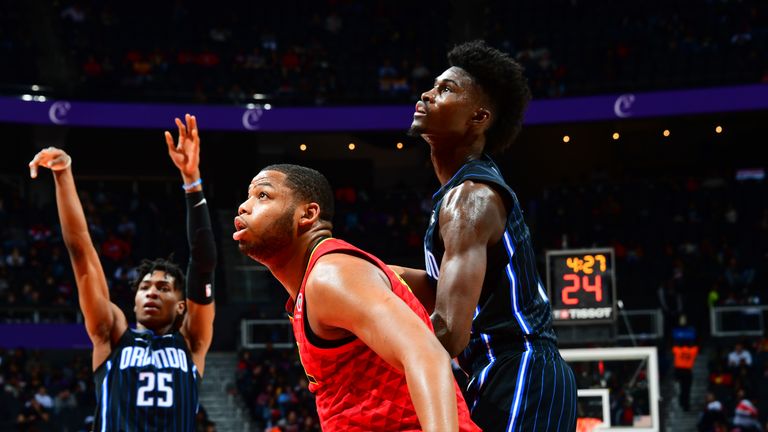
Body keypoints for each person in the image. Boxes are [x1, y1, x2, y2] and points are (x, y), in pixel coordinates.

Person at [393, 40, 578, 431]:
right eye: (433, 86)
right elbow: (444, 288)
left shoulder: (471, 198)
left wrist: (368, 354)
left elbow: (449, 332)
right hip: (496, 371)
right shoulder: (458, 193)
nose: (427, 93)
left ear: (478, 117)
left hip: (521, 368)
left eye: (446, 89)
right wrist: (367, 274)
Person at [233, 164, 479, 431]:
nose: (244, 206)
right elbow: (437, 288)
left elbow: (427, 354)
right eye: (248, 196)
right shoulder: (341, 276)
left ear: (307, 214)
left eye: (262, 195)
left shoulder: (331, 276)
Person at [28, 114, 216, 431]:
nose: (152, 291)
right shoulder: (112, 333)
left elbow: (203, 260)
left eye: (163, 287)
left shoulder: (192, 341)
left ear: (182, 305)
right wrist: (62, 174)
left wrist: (192, 179)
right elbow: (81, 250)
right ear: (134, 300)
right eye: (145, 287)